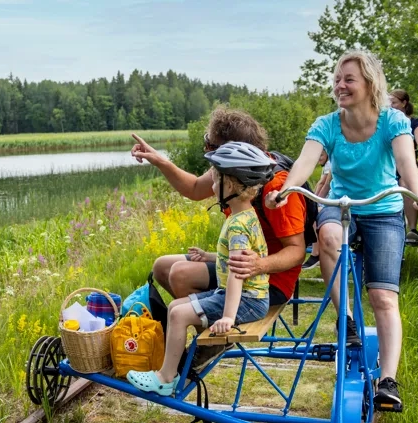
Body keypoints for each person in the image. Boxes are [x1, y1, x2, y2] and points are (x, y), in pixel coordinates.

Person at [267, 50, 418, 409]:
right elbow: (304, 161)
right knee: (328, 236)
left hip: (384, 210)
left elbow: (407, 164)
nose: (340, 85)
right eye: (337, 79)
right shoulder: (327, 124)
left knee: (383, 298)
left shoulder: (393, 121)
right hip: (342, 206)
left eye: (349, 79)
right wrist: (285, 190)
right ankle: (345, 319)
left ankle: (388, 381)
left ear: (370, 84)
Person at [130, 107, 305, 369]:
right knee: (162, 266)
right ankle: (200, 324)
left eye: (210, 145)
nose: (207, 152)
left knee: (180, 274)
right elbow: (192, 188)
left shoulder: (275, 185)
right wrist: (160, 160)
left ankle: (215, 337)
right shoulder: (231, 173)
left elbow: (297, 251)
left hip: (267, 283)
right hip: (237, 265)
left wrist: (259, 264)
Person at [126, 142, 274, 396]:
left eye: (215, 181)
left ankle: (164, 379)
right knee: (175, 307)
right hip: (250, 297)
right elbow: (235, 257)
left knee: (178, 315)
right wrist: (212, 256)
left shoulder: (237, 225)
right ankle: (170, 369)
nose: (212, 187)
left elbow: (238, 273)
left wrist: (228, 317)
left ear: (230, 185)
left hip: (247, 301)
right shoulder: (246, 216)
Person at [389, 89, 418, 246]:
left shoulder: (413, 123)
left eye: (393, 103)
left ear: (404, 103)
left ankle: (412, 230)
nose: (390, 106)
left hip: (405, 166)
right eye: (388, 103)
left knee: (405, 186)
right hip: (387, 166)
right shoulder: (387, 121)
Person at [302, 150, 333, 270]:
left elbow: (323, 184)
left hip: (334, 200)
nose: (319, 158)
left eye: (321, 155)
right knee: (314, 210)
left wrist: (314, 201)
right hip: (331, 199)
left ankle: (316, 252)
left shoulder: (330, 163)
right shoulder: (328, 164)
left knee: (315, 214)